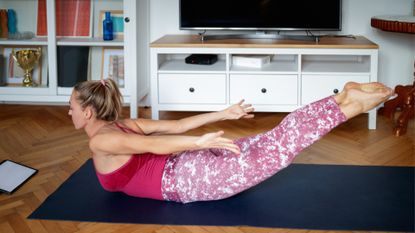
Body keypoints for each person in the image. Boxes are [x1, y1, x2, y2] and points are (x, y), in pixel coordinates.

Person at [69, 79, 393, 203]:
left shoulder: (101, 141)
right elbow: (178, 127)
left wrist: (214, 125)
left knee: (278, 148)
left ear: (86, 112)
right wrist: (213, 124)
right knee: (274, 139)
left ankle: (346, 105)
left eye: (71, 108)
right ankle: (339, 101)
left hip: (187, 178)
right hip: (187, 162)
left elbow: (161, 142)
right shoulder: (124, 125)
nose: (68, 113)